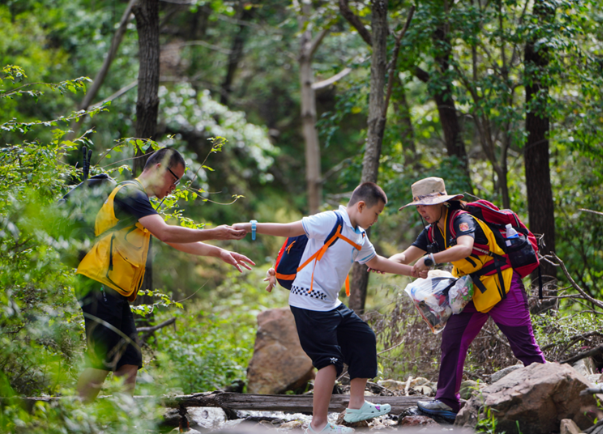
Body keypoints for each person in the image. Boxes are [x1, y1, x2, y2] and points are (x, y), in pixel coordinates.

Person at [234, 182, 427, 434]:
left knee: (363, 337)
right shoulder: (330, 220)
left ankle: (357, 405)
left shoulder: (358, 234)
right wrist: (253, 226)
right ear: (361, 205)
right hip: (308, 303)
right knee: (329, 363)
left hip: (329, 304)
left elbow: (376, 261)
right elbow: (291, 228)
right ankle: (319, 425)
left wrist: (412, 271)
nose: (376, 219)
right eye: (376, 213)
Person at [75, 148, 254, 402]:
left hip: (114, 289)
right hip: (99, 284)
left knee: (129, 362)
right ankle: (76, 419)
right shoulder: (130, 193)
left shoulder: (139, 200)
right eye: (175, 179)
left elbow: (173, 239)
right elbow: (167, 233)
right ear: (159, 168)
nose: (174, 187)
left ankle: (121, 423)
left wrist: (219, 253)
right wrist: (214, 232)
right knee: (101, 360)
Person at [388, 177, 546, 419]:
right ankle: (447, 401)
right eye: (418, 206)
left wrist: (430, 259)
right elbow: (405, 256)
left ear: (442, 202)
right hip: (471, 289)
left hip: (502, 284)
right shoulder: (432, 231)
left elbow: (465, 248)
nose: (421, 210)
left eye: (426, 204)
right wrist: (379, 263)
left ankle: (552, 388)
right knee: (452, 340)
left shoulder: (462, 219)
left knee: (524, 345)